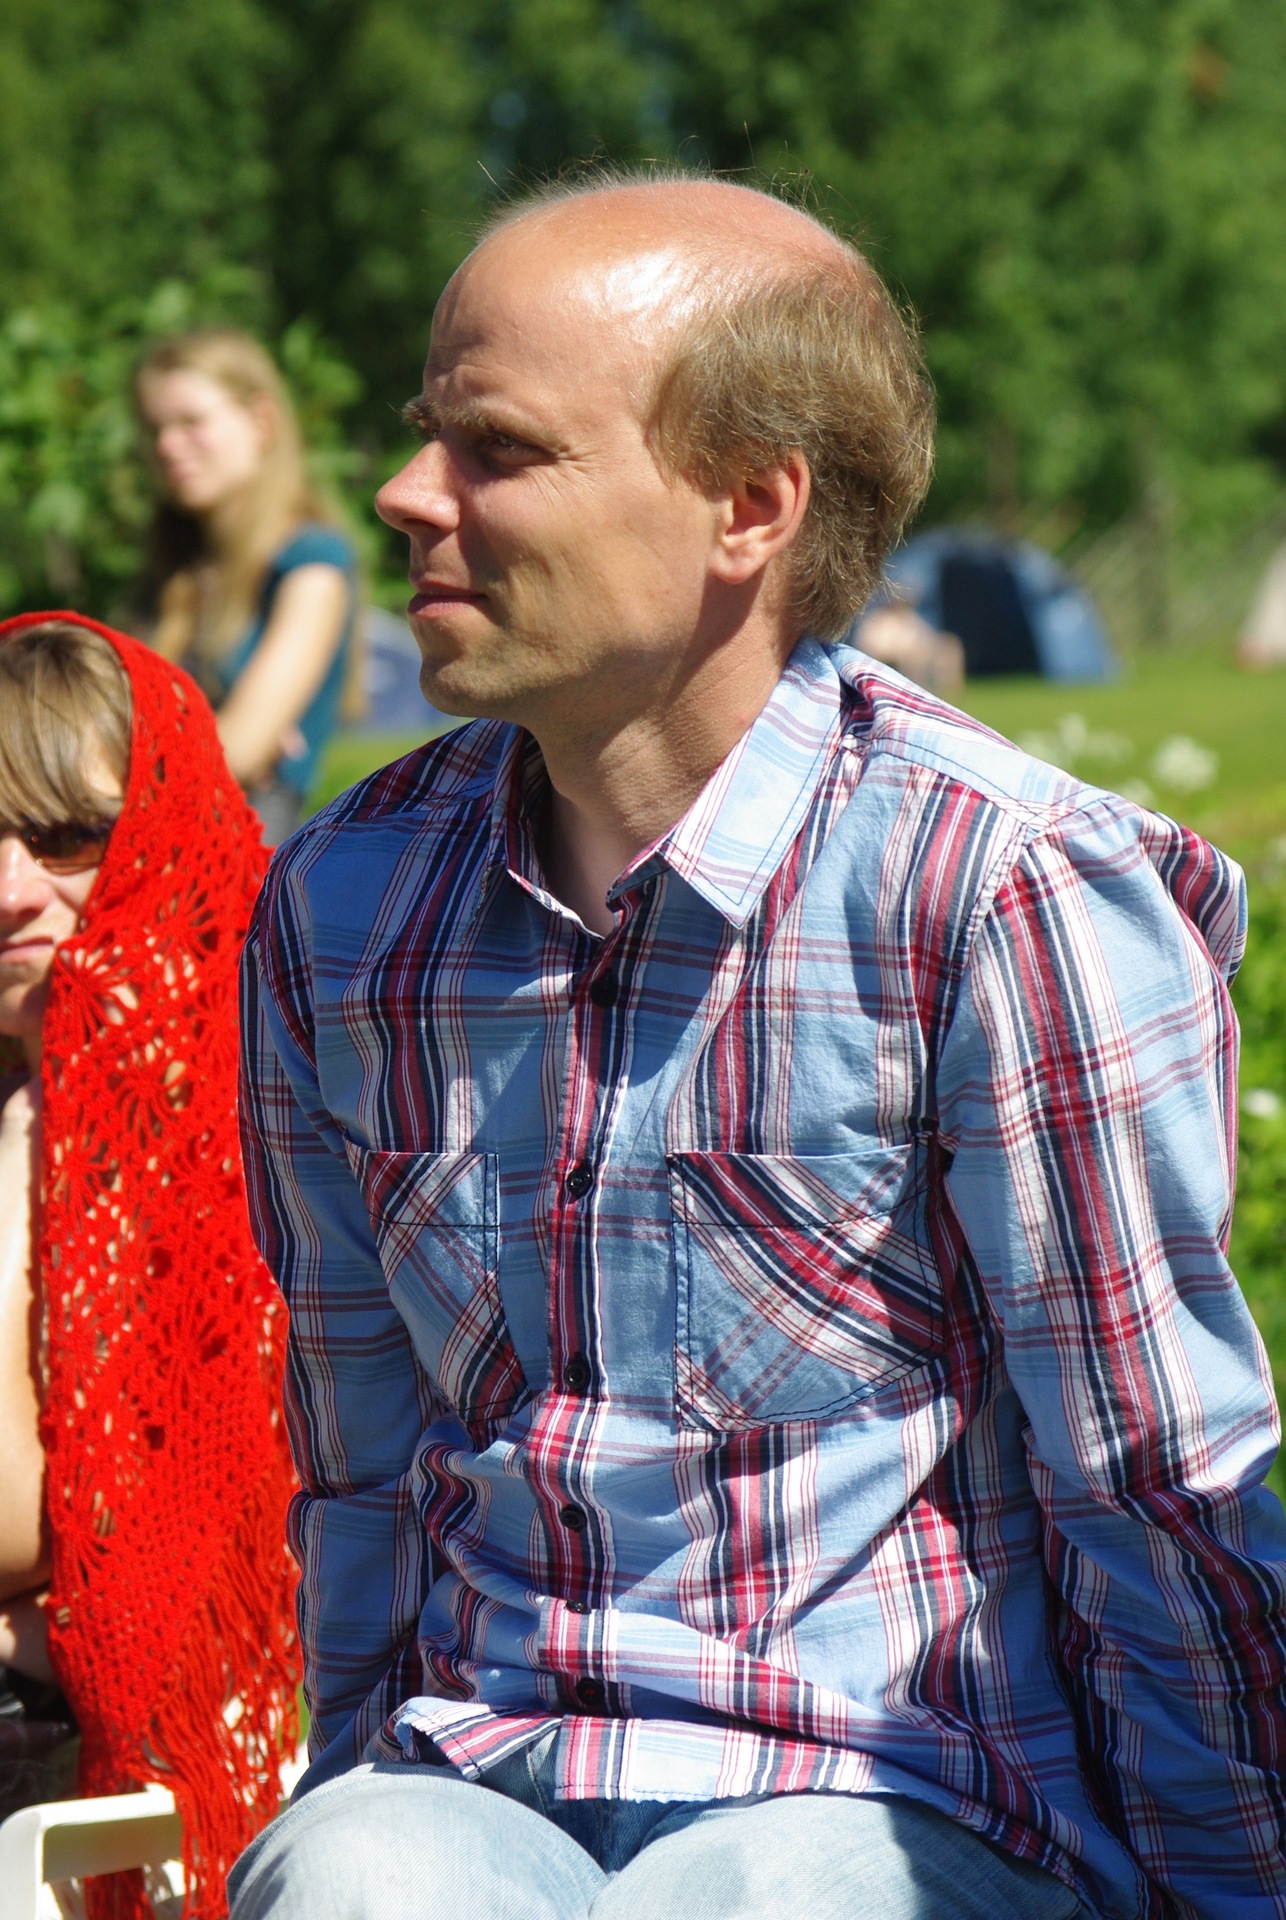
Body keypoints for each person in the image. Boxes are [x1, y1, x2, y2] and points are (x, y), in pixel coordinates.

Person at [232, 172, 1286, 1920]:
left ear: (747, 506)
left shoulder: (994, 888)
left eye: (498, 448)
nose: (408, 495)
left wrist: (1232, 1895)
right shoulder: (346, 905)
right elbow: (360, 1474)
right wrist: (338, 1783)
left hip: (901, 1789)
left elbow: (1147, 1488)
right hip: (491, 1761)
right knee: (359, 1874)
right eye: (429, 433)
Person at [0, 613, 299, 1920]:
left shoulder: (259, 1122)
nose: (11, 890)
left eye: (68, 838)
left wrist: (29, 1150)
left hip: (149, 1788)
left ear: (162, 840)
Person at [136, 330, 359, 845]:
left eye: (191, 422)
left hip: (240, 847)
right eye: (155, 428)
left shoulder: (311, 565)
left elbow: (237, 750)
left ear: (261, 421)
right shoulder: (179, 570)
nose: (167, 446)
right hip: (160, 832)